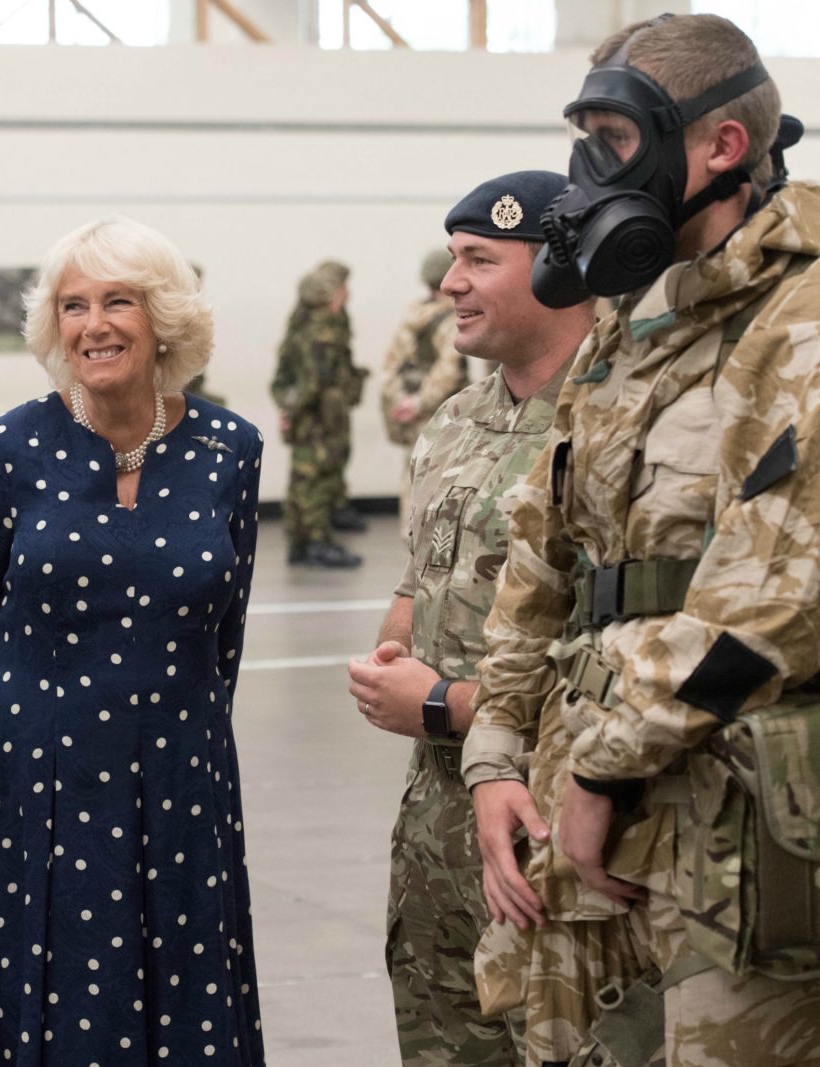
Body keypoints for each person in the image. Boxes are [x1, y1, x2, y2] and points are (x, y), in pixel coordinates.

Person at [465, 13, 820, 1066]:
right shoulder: (633, 325)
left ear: (718, 146)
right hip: (584, 830)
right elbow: (541, 555)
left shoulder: (797, 319)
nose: (589, 169)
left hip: (732, 845)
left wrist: (600, 770)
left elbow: (777, 591)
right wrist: (495, 757)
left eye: (612, 140)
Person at [0, 216, 266, 1065]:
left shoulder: (231, 448)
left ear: (166, 321)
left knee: (176, 981)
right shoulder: (5, 448)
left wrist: (178, 726)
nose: (94, 324)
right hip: (33, 777)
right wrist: (15, 729)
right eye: (74, 305)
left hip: (182, 775)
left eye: (120, 301)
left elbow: (228, 629)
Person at [347, 171, 594, 1067]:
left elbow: (628, 663)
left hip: (559, 831)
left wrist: (445, 702)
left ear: (560, 270)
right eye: (452, 258)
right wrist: (394, 655)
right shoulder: (455, 419)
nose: (451, 282)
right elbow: (423, 574)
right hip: (436, 836)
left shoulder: (613, 421)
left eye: (478, 259)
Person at [272, 259, 367, 567]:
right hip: (317, 418)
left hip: (307, 414)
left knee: (302, 478)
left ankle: (300, 541)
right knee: (318, 479)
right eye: (341, 290)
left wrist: (288, 408)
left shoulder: (302, 322)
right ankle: (317, 542)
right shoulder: (322, 330)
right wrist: (294, 409)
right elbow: (315, 381)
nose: (346, 295)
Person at [378, 248, 468, 526]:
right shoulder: (451, 319)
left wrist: (402, 402)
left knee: (414, 474)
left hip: (412, 411)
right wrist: (421, 402)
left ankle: (412, 535)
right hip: (445, 412)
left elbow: (391, 364)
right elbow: (448, 370)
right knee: (447, 478)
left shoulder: (412, 316)